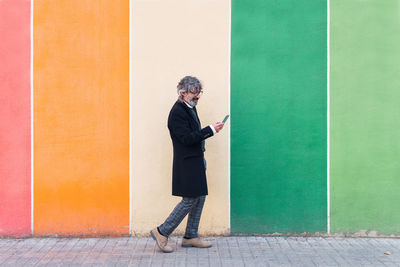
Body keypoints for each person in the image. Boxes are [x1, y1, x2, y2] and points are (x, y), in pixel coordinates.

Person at [150, 76, 225, 253]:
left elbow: (193, 135)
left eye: (199, 93)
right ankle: (162, 231)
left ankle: (190, 236)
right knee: (190, 199)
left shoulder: (189, 107)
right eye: (194, 93)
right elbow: (186, 139)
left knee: (199, 196)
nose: (198, 96)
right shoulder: (177, 112)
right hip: (187, 162)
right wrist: (211, 130)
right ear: (183, 93)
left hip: (196, 160)